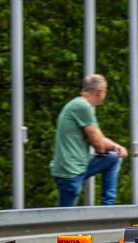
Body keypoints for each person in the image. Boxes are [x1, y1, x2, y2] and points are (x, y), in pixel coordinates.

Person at [50, 74, 127, 207]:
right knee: (64, 222)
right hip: (70, 171)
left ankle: (108, 207)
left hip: (75, 165)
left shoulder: (78, 105)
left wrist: (115, 146)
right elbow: (98, 145)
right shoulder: (83, 107)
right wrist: (109, 146)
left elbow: (99, 138)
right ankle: (108, 208)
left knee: (113, 158)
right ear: (100, 92)